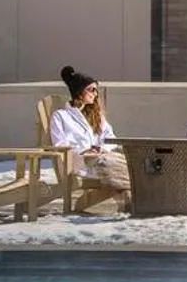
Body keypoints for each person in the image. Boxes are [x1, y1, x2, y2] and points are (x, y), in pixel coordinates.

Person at [49, 65, 130, 196]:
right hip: (79, 162)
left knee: (129, 163)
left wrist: (102, 148)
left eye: (96, 90)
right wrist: (84, 151)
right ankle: (133, 196)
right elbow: (59, 145)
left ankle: (133, 195)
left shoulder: (97, 116)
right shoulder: (61, 116)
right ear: (78, 92)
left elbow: (111, 138)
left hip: (101, 158)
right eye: (91, 90)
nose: (95, 93)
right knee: (111, 165)